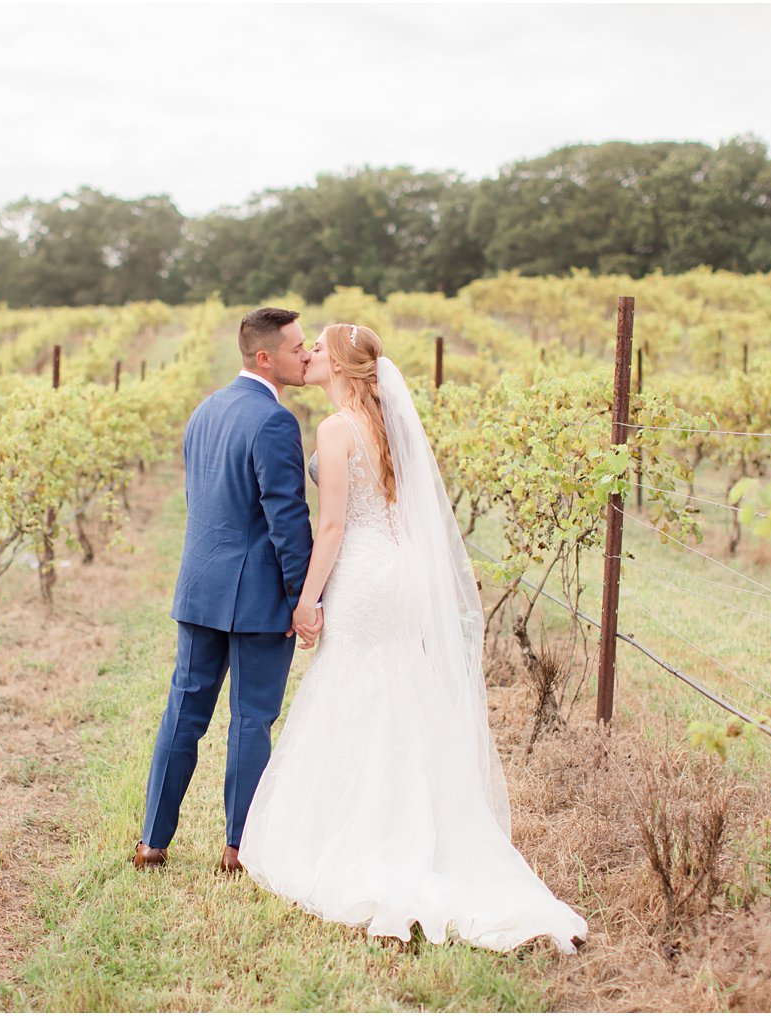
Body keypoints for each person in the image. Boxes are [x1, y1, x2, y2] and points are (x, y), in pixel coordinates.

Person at [237, 322, 588, 953]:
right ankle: (417, 820)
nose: (309, 355)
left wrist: (308, 599)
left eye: (318, 349)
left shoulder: (337, 429)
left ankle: (366, 834)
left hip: (364, 578)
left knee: (357, 687)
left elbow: (336, 525)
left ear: (342, 366)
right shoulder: (384, 425)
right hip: (397, 572)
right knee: (396, 685)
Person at [134, 307, 323, 874]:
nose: (306, 356)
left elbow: (206, 504)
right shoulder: (274, 422)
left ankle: (151, 842)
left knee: (184, 712)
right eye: (296, 348)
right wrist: (302, 595)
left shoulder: (205, 410)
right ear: (264, 356)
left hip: (199, 587)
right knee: (250, 719)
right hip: (258, 596)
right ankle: (238, 848)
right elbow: (286, 518)